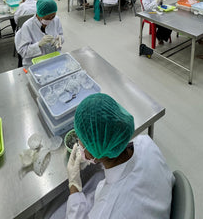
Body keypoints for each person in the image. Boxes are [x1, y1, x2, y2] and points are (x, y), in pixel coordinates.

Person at [45, 93, 174, 218]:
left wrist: (74, 184)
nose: (79, 144)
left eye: (81, 142)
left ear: (91, 156)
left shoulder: (108, 210)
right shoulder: (146, 143)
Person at [15, 0, 64, 66]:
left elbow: (61, 34)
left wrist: (59, 40)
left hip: (53, 57)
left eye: (53, 16)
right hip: (35, 62)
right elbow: (23, 51)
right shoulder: (28, 26)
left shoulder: (56, 20)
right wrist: (38, 45)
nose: (50, 20)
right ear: (39, 14)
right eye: (47, 18)